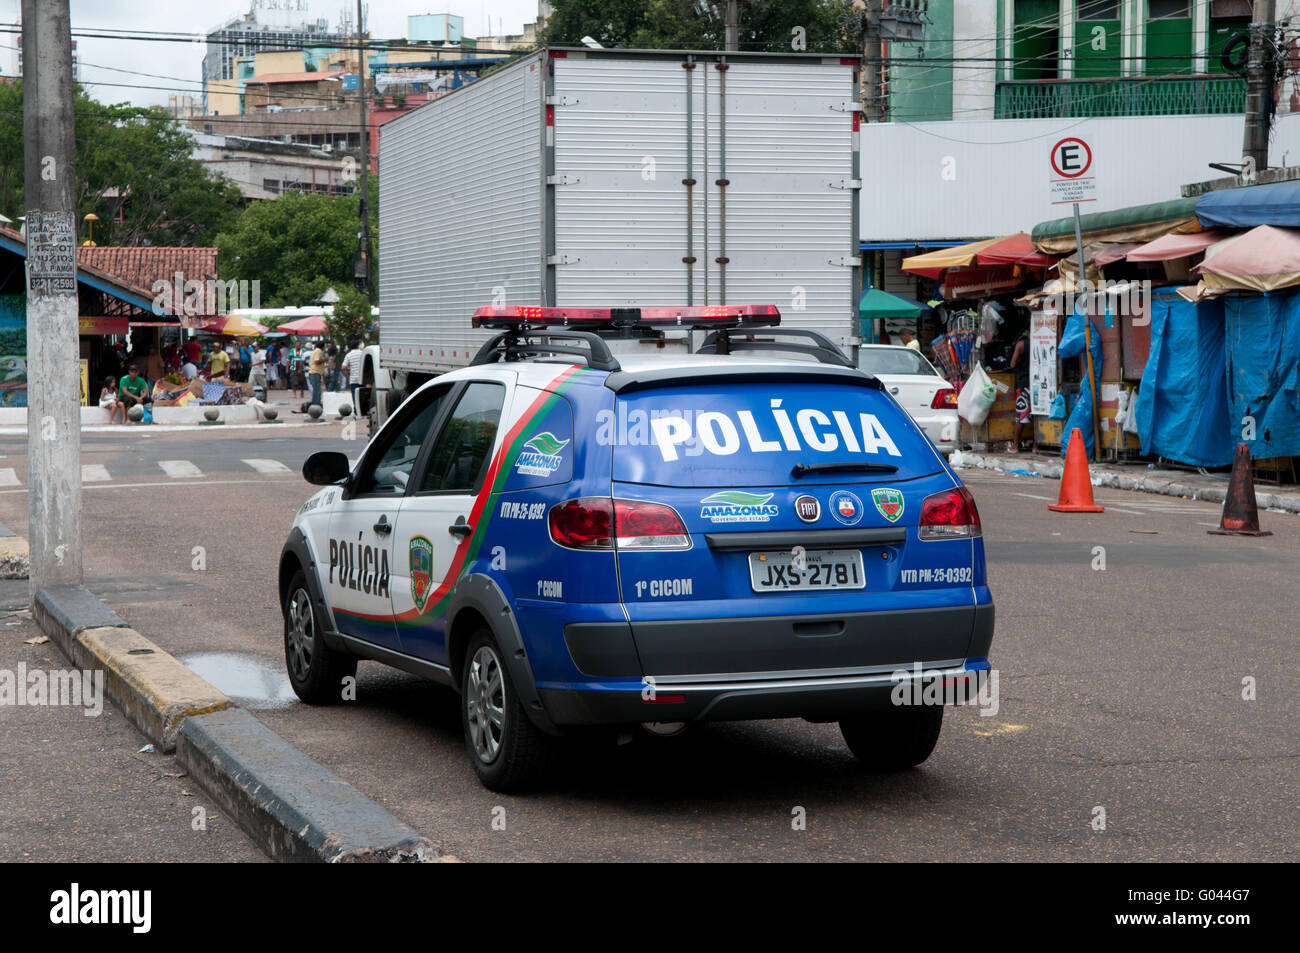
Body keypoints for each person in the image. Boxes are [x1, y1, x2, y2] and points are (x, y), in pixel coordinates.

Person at [1008, 328, 1035, 454]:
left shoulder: (1021, 344)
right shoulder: (1040, 342)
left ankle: (1015, 446)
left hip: (1024, 384)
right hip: (1038, 383)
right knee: (1037, 416)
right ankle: (1036, 446)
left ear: (1027, 331)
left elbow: (1012, 364)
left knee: (1021, 416)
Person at [343, 340, 364, 412]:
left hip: (353, 379)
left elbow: (343, 367)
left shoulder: (348, 355)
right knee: (363, 395)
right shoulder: (363, 353)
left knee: (355, 396)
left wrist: (346, 375)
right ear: (358, 346)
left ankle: (357, 411)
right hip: (363, 379)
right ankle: (363, 410)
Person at [307, 340, 326, 408]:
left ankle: (315, 403)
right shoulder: (318, 351)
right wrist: (325, 359)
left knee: (316, 389)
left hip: (315, 372)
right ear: (322, 346)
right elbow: (317, 361)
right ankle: (316, 404)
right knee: (317, 389)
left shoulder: (316, 351)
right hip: (315, 372)